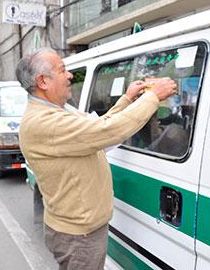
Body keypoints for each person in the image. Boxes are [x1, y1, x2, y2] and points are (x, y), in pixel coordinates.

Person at [16, 48, 176, 270]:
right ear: (43, 81)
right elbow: (107, 131)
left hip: (80, 229)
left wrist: (128, 99)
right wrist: (153, 96)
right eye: (62, 70)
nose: (70, 75)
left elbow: (98, 130)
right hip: (78, 235)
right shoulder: (44, 122)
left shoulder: (56, 112)